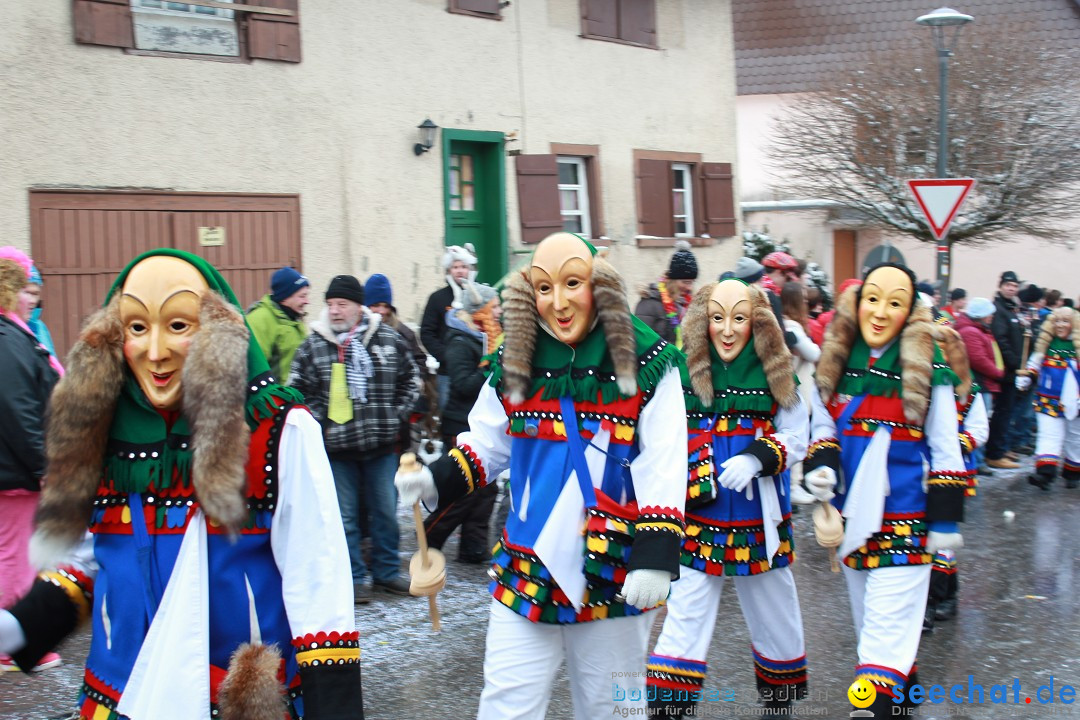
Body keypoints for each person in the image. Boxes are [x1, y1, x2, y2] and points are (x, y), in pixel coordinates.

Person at [0, 249, 363, 717]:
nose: (154, 352)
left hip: (230, 699)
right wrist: (21, 625)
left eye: (177, 326)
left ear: (216, 332)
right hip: (119, 695)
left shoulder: (277, 431)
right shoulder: (106, 431)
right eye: (136, 327)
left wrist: (334, 706)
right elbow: (94, 559)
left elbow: (318, 579)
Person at [395, 232, 687, 720]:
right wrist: (434, 480)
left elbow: (665, 460)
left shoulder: (649, 360)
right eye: (544, 288)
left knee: (613, 708)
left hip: (611, 568)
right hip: (526, 566)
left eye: (572, 283)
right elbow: (487, 443)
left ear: (600, 284)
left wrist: (656, 554)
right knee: (506, 705)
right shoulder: (517, 357)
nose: (559, 302)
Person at [803, 263, 966, 717]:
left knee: (880, 642)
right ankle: (903, 695)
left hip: (908, 520)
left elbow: (945, 446)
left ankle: (872, 707)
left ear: (910, 310)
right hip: (852, 518)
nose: (879, 311)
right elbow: (821, 426)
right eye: (872, 298)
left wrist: (945, 520)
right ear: (856, 303)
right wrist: (820, 472)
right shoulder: (834, 359)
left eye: (894, 302)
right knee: (875, 631)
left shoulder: (929, 364)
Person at [646, 278, 809, 718]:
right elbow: (660, 433)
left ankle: (780, 701)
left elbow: (798, 436)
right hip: (701, 516)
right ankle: (669, 706)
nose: (728, 330)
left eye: (738, 318)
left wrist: (759, 457)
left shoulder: (777, 374)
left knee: (776, 611)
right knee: (686, 611)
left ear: (757, 322)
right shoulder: (680, 374)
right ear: (704, 320)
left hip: (761, 521)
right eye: (718, 318)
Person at [289, 274, 420, 603]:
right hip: (337, 449)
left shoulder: (387, 340)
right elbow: (297, 391)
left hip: (381, 445)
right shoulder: (314, 344)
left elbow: (412, 379)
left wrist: (394, 415)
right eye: (330, 304)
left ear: (358, 307)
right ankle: (354, 576)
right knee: (344, 517)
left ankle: (387, 571)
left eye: (341, 304)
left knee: (387, 512)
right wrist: (322, 423)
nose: (334, 311)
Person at [0, 248, 62, 672]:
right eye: (25, 288)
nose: (32, 298)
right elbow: (17, 409)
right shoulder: (6, 339)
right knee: (14, 557)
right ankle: (14, 646)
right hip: (15, 473)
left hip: (14, 470)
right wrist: (43, 466)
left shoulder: (15, 333)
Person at [423, 281, 503, 563]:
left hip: (476, 422)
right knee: (467, 491)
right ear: (479, 310)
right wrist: (493, 371)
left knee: (487, 490)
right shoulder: (460, 341)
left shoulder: (488, 339)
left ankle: (473, 545)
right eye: (494, 307)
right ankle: (429, 536)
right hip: (460, 423)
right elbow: (463, 384)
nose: (499, 312)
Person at [924, 324, 988, 631]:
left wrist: (954, 443)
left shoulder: (969, 392)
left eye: (944, 351)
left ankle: (943, 594)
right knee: (923, 534)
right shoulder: (920, 385)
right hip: (919, 471)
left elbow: (979, 430)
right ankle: (928, 598)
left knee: (944, 535)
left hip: (951, 472)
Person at [365, 273, 429, 452]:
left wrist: (413, 382)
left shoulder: (404, 333)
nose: (382, 311)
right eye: (376, 305)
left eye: (385, 306)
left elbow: (419, 360)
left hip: (400, 411)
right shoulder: (357, 334)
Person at [1022, 307, 1080, 490]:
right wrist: (1027, 376)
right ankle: (1045, 474)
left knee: (1075, 438)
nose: (1060, 325)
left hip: (1075, 401)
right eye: (1057, 321)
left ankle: (1073, 472)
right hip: (1048, 399)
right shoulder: (1045, 344)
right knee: (1049, 435)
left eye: (1065, 321)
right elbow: (1034, 364)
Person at [421, 244, 476, 414]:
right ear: (449, 270)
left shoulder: (480, 296)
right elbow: (427, 332)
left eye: (463, 267)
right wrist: (447, 356)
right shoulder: (437, 299)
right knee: (449, 415)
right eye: (455, 267)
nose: (460, 271)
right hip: (447, 373)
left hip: (477, 372)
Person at [986, 271, 1024, 469]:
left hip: (1012, 372)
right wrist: (1016, 364)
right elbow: (1001, 341)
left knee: (1007, 412)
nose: (1011, 288)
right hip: (1006, 372)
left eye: (1014, 286)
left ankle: (1001, 446)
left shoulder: (1011, 309)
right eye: (1008, 285)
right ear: (1001, 286)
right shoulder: (999, 309)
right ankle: (995, 453)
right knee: (1002, 412)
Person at [246, 265, 310, 383]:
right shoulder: (260, 319)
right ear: (285, 298)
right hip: (275, 399)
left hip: (294, 398)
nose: (307, 301)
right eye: (302, 296)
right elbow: (254, 368)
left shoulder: (293, 318)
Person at [634, 239, 698, 348]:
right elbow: (639, 342)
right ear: (672, 280)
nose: (689, 287)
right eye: (685, 282)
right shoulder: (649, 303)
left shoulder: (685, 304)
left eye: (691, 282)